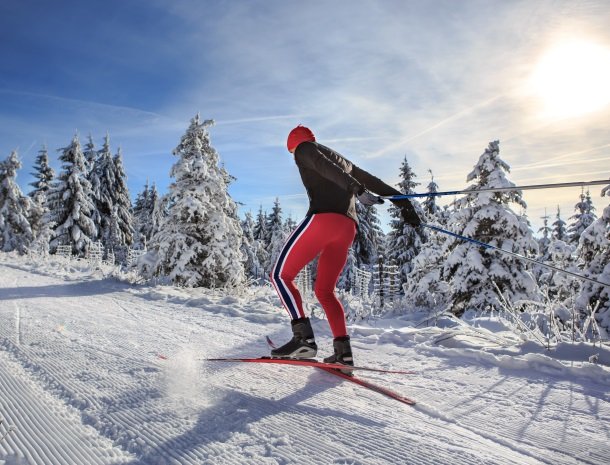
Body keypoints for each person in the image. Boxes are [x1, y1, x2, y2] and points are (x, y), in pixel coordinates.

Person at [270, 125, 421, 368]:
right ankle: (343, 352)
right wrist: (405, 206)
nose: (295, 158)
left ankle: (303, 339)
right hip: (347, 228)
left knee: (280, 276)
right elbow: (374, 181)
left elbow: (322, 166)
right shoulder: (343, 161)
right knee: (325, 291)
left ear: (293, 145)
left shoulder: (304, 150)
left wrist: (356, 189)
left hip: (323, 221)